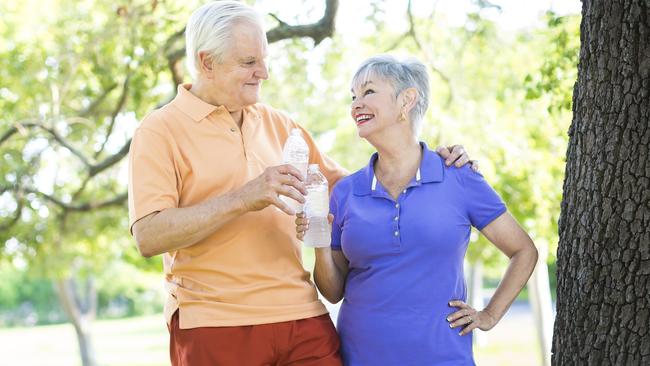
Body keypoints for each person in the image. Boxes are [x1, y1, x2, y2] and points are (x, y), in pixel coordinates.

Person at [127, 2, 475, 365]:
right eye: (249, 63)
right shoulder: (159, 131)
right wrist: (245, 197)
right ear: (207, 62)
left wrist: (430, 162)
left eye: (263, 59)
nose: (263, 73)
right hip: (215, 321)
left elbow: (356, 189)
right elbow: (149, 235)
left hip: (301, 314)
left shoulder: (280, 125)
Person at [296, 55, 539, 366]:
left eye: (368, 92)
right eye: (353, 96)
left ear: (406, 100)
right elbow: (332, 292)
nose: (356, 103)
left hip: (444, 357)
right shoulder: (345, 191)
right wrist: (319, 245)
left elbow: (523, 250)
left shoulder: (458, 176)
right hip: (362, 357)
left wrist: (489, 315)